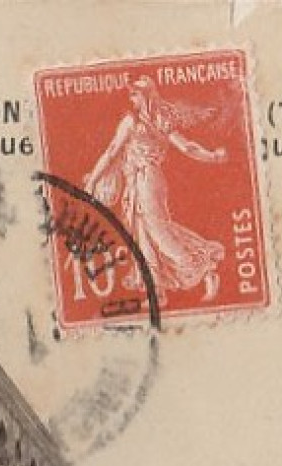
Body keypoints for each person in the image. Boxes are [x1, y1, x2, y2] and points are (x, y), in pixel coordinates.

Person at [83, 75, 227, 303]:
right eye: (131, 94)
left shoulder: (151, 120)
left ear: (147, 95)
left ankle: (205, 268)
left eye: (136, 93)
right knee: (142, 233)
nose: (132, 98)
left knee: (158, 232)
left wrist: (212, 157)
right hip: (136, 182)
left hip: (148, 180)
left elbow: (186, 146)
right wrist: (92, 181)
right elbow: (112, 152)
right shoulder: (144, 120)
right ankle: (157, 289)